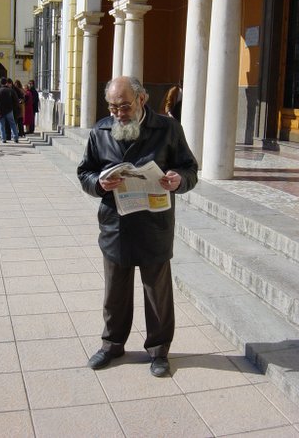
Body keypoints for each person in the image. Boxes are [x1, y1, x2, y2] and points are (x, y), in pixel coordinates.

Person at [77, 76, 198, 377]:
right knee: (114, 291)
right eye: (113, 107)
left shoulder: (168, 128)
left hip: (153, 222)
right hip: (116, 224)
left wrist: (178, 180)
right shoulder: (101, 130)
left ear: (142, 99)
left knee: (157, 292)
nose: (118, 113)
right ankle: (112, 344)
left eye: (124, 106)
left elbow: (190, 168)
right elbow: (85, 173)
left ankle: (158, 351)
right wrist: (99, 183)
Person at [0, 77, 19, 143]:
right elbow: (16, 101)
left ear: (0, 83)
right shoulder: (11, 90)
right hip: (9, 110)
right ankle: (15, 138)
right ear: (6, 82)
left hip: (0, 111)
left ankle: (3, 138)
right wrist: (15, 108)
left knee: (2, 125)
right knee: (13, 124)